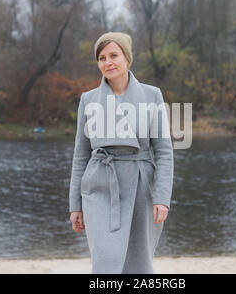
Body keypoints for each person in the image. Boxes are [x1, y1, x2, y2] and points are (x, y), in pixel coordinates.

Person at [68, 32, 174, 274]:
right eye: (102, 57)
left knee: (138, 263)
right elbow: (80, 156)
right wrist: (75, 205)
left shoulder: (152, 95)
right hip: (99, 187)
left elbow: (164, 152)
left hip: (140, 185)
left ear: (127, 58)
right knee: (105, 261)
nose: (108, 62)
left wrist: (162, 197)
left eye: (114, 55)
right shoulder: (88, 99)